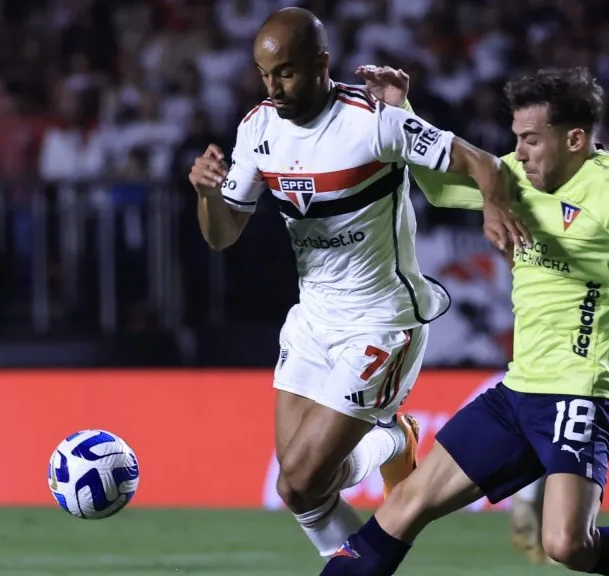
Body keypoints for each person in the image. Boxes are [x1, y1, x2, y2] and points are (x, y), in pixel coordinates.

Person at [319, 65, 609, 576]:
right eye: (516, 139)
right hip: (517, 391)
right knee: (404, 504)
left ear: (574, 138)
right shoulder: (514, 176)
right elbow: (440, 189)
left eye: (530, 139)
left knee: (567, 545)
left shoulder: (608, 186)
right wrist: (400, 111)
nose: (519, 152)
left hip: (580, 391)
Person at [187, 8, 528, 561]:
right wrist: (206, 195)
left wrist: (493, 211)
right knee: (300, 491)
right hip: (312, 320)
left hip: (380, 323)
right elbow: (222, 236)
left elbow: (484, 164)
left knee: (300, 477)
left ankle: (393, 439)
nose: (274, 88)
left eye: (287, 74)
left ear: (322, 64)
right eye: (264, 74)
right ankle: (386, 466)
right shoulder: (257, 129)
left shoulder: (372, 122)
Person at [508, 141, 609, 567]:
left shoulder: (596, 219)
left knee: (545, 448)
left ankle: (533, 513)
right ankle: (540, 518)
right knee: (550, 447)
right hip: (568, 369)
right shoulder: (600, 212)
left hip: (557, 359)